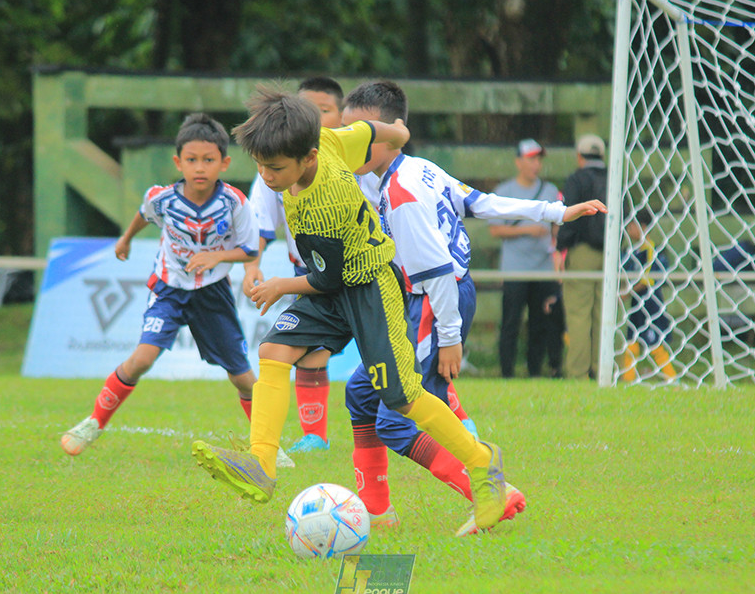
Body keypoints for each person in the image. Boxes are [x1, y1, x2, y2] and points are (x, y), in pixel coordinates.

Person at [190, 85, 565, 531]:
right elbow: (367, 131)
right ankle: (263, 464)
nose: (267, 177)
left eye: (274, 168)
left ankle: (483, 462)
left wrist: (278, 287)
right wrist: (398, 131)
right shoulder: (328, 142)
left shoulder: (320, 204)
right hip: (335, 287)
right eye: (260, 166)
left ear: (307, 157)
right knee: (273, 352)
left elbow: (324, 279)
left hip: (369, 287)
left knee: (402, 397)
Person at [339, 80, 608, 535]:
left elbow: (437, 271)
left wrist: (449, 340)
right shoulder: (418, 169)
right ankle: (378, 512)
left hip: (433, 302)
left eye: (361, 132)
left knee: (396, 417)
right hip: (431, 299)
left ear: (394, 133)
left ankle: (488, 488)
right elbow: (482, 203)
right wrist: (555, 213)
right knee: (362, 392)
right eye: (345, 132)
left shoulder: (402, 197)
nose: (350, 143)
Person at [60, 113, 260, 455]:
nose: (200, 168)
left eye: (208, 160)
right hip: (168, 289)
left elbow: (250, 249)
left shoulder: (235, 203)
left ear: (224, 163)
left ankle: (266, 443)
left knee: (242, 376)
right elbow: (143, 214)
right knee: (141, 359)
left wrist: (217, 257)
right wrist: (124, 240)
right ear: (177, 162)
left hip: (212, 293)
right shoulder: (162, 198)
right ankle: (93, 423)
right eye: (192, 160)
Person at [242, 77, 353, 454]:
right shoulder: (277, 166)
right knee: (294, 350)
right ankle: (308, 438)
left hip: (366, 278)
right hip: (311, 276)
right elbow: (260, 220)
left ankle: (456, 424)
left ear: (342, 116)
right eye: (309, 111)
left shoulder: (350, 163)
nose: (316, 119)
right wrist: (251, 265)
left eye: (324, 111)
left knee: (396, 373)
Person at [489, 138, 564, 378]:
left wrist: (558, 255)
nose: (536, 164)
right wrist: (526, 230)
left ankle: (535, 371)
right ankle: (507, 373)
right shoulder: (504, 192)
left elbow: (557, 228)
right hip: (514, 270)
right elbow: (495, 230)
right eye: (531, 159)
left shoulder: (550, 191)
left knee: (540, 324)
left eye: (539, 159)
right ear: (518, 162)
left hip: (542, 269)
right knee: (510, 323)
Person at [556, 134, 609, 380]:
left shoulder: (577, 179)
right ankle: (605, 370)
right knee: (606, 314)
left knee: (579, 315)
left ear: (579, 157)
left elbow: (570, 218)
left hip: (582, 252)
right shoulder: (615, 177)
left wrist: (560, 248)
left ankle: (578, 374)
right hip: (611, 254)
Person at [620, 208, 675, 383]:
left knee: (655, 345)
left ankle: (673, 380)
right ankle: (627, 380)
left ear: (643, 227)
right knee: (631, 342)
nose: (628, 228)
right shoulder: (631, 251)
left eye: (632, 224)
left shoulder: (651, 250)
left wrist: (626, 293)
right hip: (637, 305)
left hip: (651, 305)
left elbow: (647, 281)